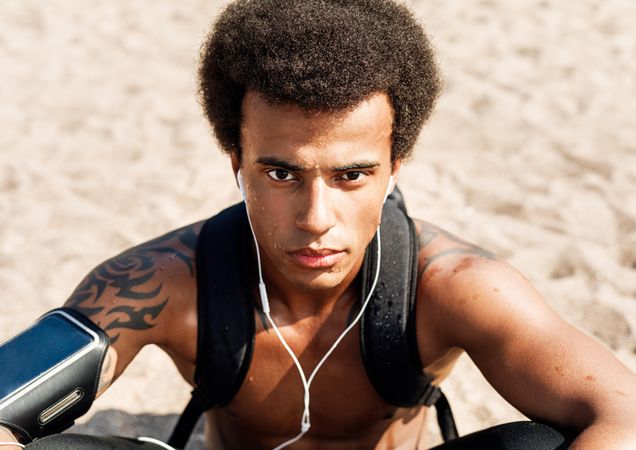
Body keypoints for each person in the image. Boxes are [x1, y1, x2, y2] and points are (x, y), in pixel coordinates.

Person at [1, 0, 635, 449]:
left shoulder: (456, 285)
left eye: (351, 175)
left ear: (394, 168)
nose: (315, 219)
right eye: (280, 174)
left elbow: (625, 415)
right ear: (237, 164)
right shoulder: (162, 283)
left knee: (541, 443)